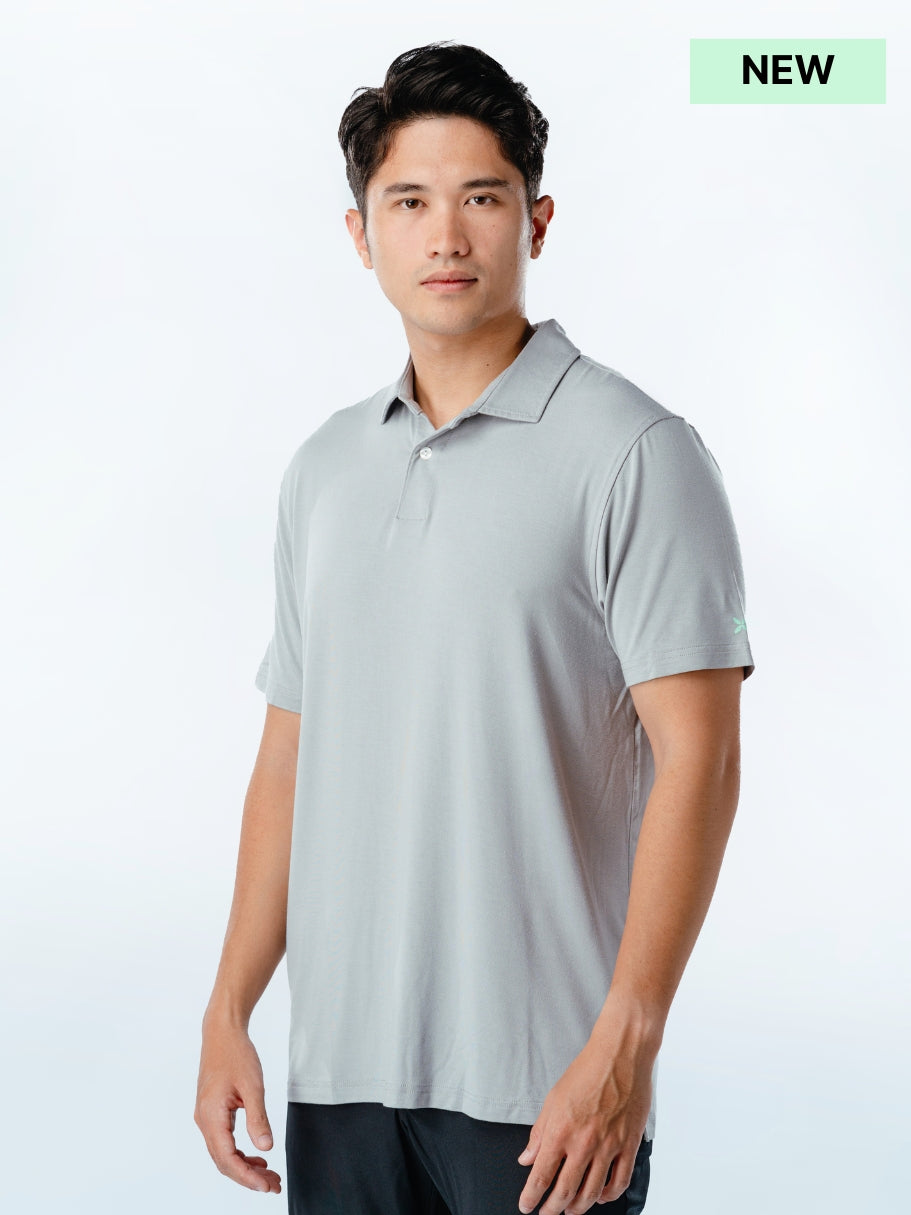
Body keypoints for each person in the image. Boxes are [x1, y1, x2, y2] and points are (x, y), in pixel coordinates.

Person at [194, 41, 755, 1215]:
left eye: (481, 199)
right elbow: (287, 759)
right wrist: (228, 1007)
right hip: (339, 1080)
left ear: (535, 221)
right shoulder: (323, 471)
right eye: (408, 202)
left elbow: (699, 759)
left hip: (547, 1088)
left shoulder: (634, 453)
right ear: (361, 236)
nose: (444, 236)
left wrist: (627, 1043)